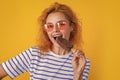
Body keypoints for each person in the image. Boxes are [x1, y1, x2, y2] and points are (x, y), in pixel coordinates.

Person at [0, 2, 90, 80]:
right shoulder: (33, 54)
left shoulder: (81, 62)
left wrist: (78, 75)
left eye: (61, 24)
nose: (55, 30)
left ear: (71, 27)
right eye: (50, 26)